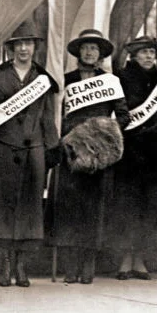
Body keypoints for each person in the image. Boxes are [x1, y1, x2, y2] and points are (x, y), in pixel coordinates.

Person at [0, 21, 59, 287]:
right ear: (10, 48)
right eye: (18, 44)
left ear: (34, 47)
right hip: (4, 147)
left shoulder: (42, 79)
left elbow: (47, 117)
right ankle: (5, 263)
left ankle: (21, 264)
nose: (23, 49)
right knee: (3, 208)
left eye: (28, 43)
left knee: (30, 208)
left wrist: (52, 148)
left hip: (33, 150)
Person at [49, 29, 130, 284]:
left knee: (93, 210)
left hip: (97, 156)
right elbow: (55, 115)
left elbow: (124, 116)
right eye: (85, 48)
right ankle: (70, 267)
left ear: (100, 54)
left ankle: (88, 265)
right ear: (78, 52)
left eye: (94, 48)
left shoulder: (111, 82)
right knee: (69, 210)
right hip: (71, 153)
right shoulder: (66, 81)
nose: (89, 52)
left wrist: (101, 134)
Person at [105, 36, 157, 280]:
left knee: (149, 209)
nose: (149, 56)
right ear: (133, 56)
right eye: (144, 52)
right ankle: (125, 260)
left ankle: (140, 260)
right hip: (129, 151)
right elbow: (118, 112)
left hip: (153, 155)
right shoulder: (120, 79)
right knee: (127, 208)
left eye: (152, 52)